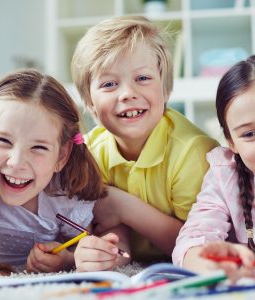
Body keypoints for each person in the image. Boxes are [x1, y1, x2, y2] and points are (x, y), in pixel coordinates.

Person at [71, 15, 218, 262]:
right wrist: (111, 253)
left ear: (166, 89)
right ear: (90, 104)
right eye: (109, 84)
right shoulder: (91, 153)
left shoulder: (191, 152)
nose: (128, 93)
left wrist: (122, 206)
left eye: (143, 78)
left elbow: (200, 244)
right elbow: (110, 226)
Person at [0, 69, 130, 273]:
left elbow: (104, 241)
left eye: (38, 148)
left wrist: (68, 259)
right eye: (3, 141)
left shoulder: (63, 198)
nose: (16, 163)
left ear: (62, 156)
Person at [172, 53, 255, 279]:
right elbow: (193, 238)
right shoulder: (225, 174)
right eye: (250, 134)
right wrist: (205, 260)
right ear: (232, 143)